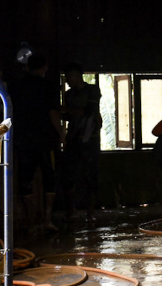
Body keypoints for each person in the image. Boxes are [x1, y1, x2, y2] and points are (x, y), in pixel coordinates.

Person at [11, 53, 64, 234]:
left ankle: (31, 222)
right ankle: (47, 220)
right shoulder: (48, 87)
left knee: (25, 179)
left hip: (23, 139)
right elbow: (53, 113)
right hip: (45, 139)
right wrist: (61, 133)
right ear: (44, 68)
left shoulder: (17, 86)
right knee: (49, 178)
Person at [61, 63, 102, 222]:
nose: (68, 80)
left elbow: (88, 112)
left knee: (91, 177)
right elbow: (69, 116)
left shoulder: (92, 90)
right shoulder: (69, 94)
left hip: (90, 139)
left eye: (69, 77)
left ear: (78, 76)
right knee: (69, 176)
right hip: (73, 138)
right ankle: (71, 211)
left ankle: (90, 213)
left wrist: (64, 110)